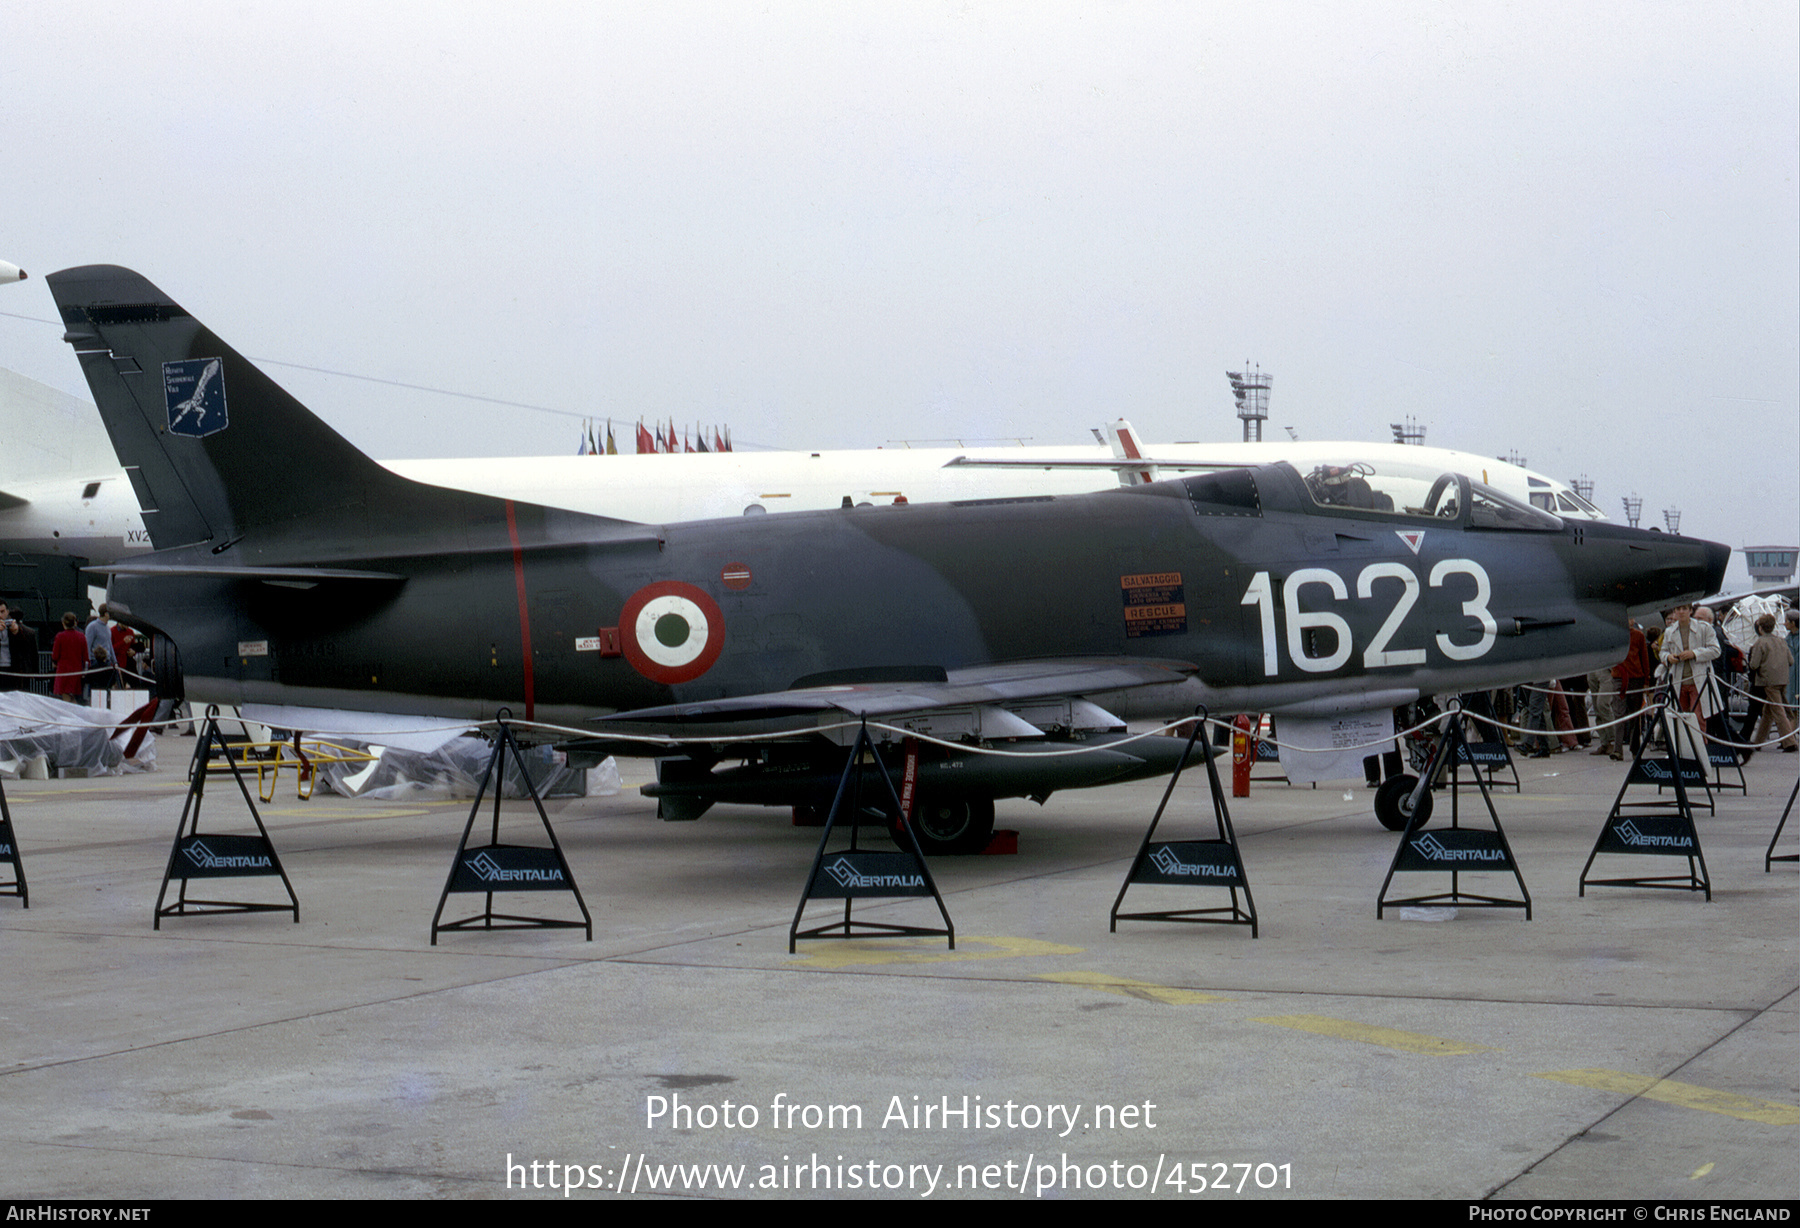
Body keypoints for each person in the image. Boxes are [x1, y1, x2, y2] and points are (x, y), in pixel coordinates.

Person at [1745, 613, 1798, 752]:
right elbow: (1791, 661)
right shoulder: (1781, 641)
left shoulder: (1760, 643)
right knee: (1768, 712)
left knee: (1778, 712)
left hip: (1767, 681)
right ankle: (1758, 741)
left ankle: (1789, 742)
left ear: (1760, 628)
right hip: (1783, 680)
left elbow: (1754, 664)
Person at [0, 602, 40, 693]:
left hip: (14, 669)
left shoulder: (22, 630)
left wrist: (16, 633)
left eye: (2, 612)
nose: (0, 615)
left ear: (7, 612)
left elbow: (28, 651)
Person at [51, 612, 88, 702]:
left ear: (63, 623)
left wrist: (54, 663)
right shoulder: (81, 636)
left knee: (66, 697)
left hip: (64, 671)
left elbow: (55, 655)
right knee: (72, 697)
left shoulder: (60, 636)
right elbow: (86, 656)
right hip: (77, 670)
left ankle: (69, 715)